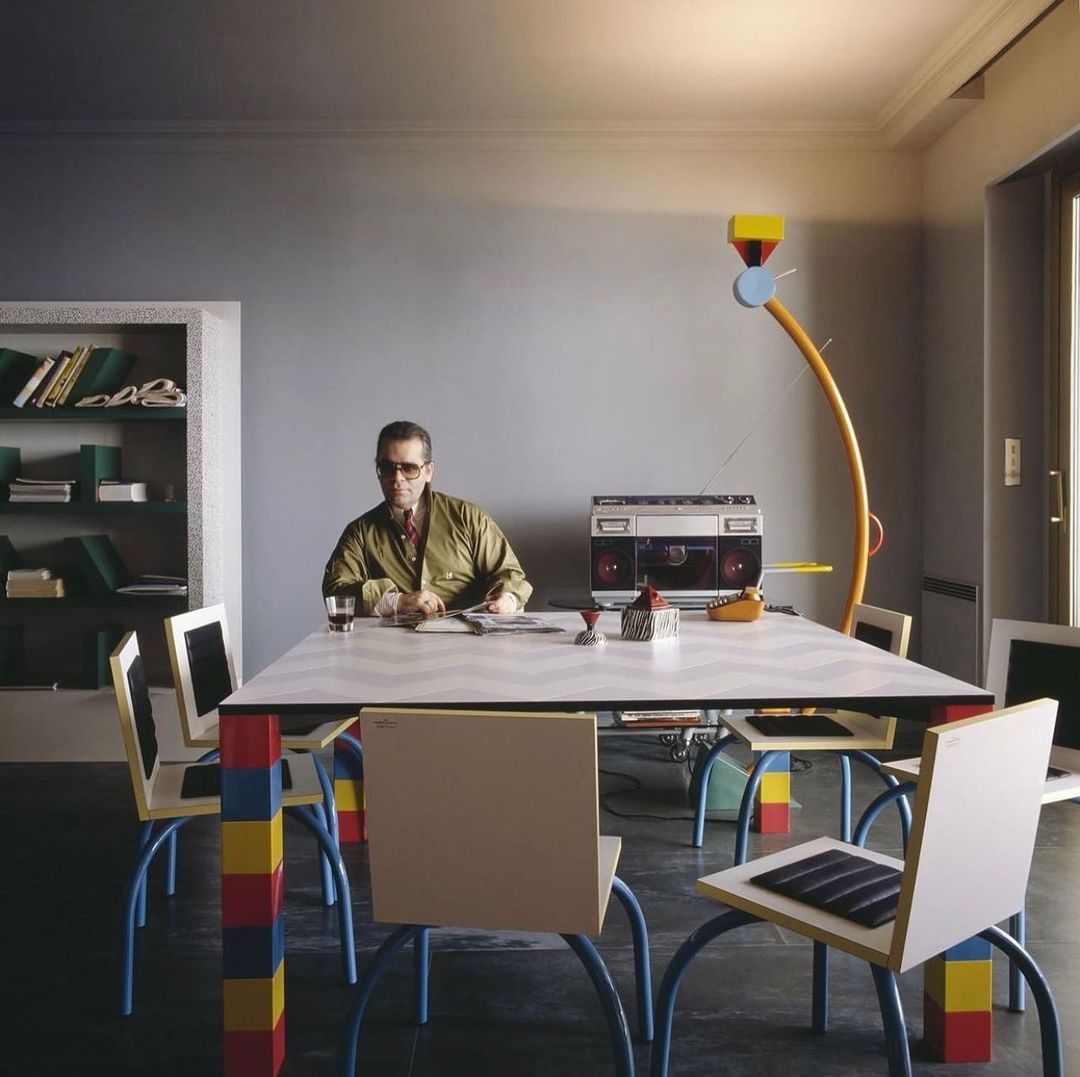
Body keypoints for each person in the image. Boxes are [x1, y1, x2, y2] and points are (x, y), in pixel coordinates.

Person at [322, 420, 532, 618]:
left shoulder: (469, 518)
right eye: (387, 468)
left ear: (428, 471)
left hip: (467, 638)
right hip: (392, 642)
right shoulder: (360, 532)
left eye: (409, 468)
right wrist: (396, 602)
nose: (397, 479)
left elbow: (509, 574)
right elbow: (335, 591)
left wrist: (508, 599)